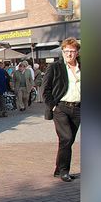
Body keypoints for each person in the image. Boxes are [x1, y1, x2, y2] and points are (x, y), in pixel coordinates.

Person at [42, 38, 81, 182]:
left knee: (67, 142)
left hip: (78, 108)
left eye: (72, 51)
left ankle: (59, 169)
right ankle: (65, 171)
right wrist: (53, 106)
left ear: (77, 53)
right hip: (61, 108)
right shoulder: (55, 67)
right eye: (66, 51)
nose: (69, 54)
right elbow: (45, 90)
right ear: (62, 52)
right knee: (67, 138)